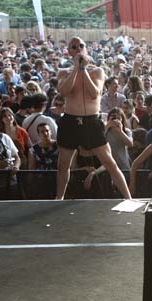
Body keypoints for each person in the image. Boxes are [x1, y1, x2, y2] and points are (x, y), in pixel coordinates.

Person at [55, 37, 131, 200]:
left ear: (86, 49)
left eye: (81, 46)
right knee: (63, 164)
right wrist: (76, 69)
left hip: (91, 121)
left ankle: (128, 197)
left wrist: (83, 70)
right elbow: (64, 91)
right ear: (69, 51)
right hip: (70, 121)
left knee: (109, 162)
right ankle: (59, 198)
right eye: (74, 47)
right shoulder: (63, 72)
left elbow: (94, 93)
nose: (78, 49)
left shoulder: (97, 71)